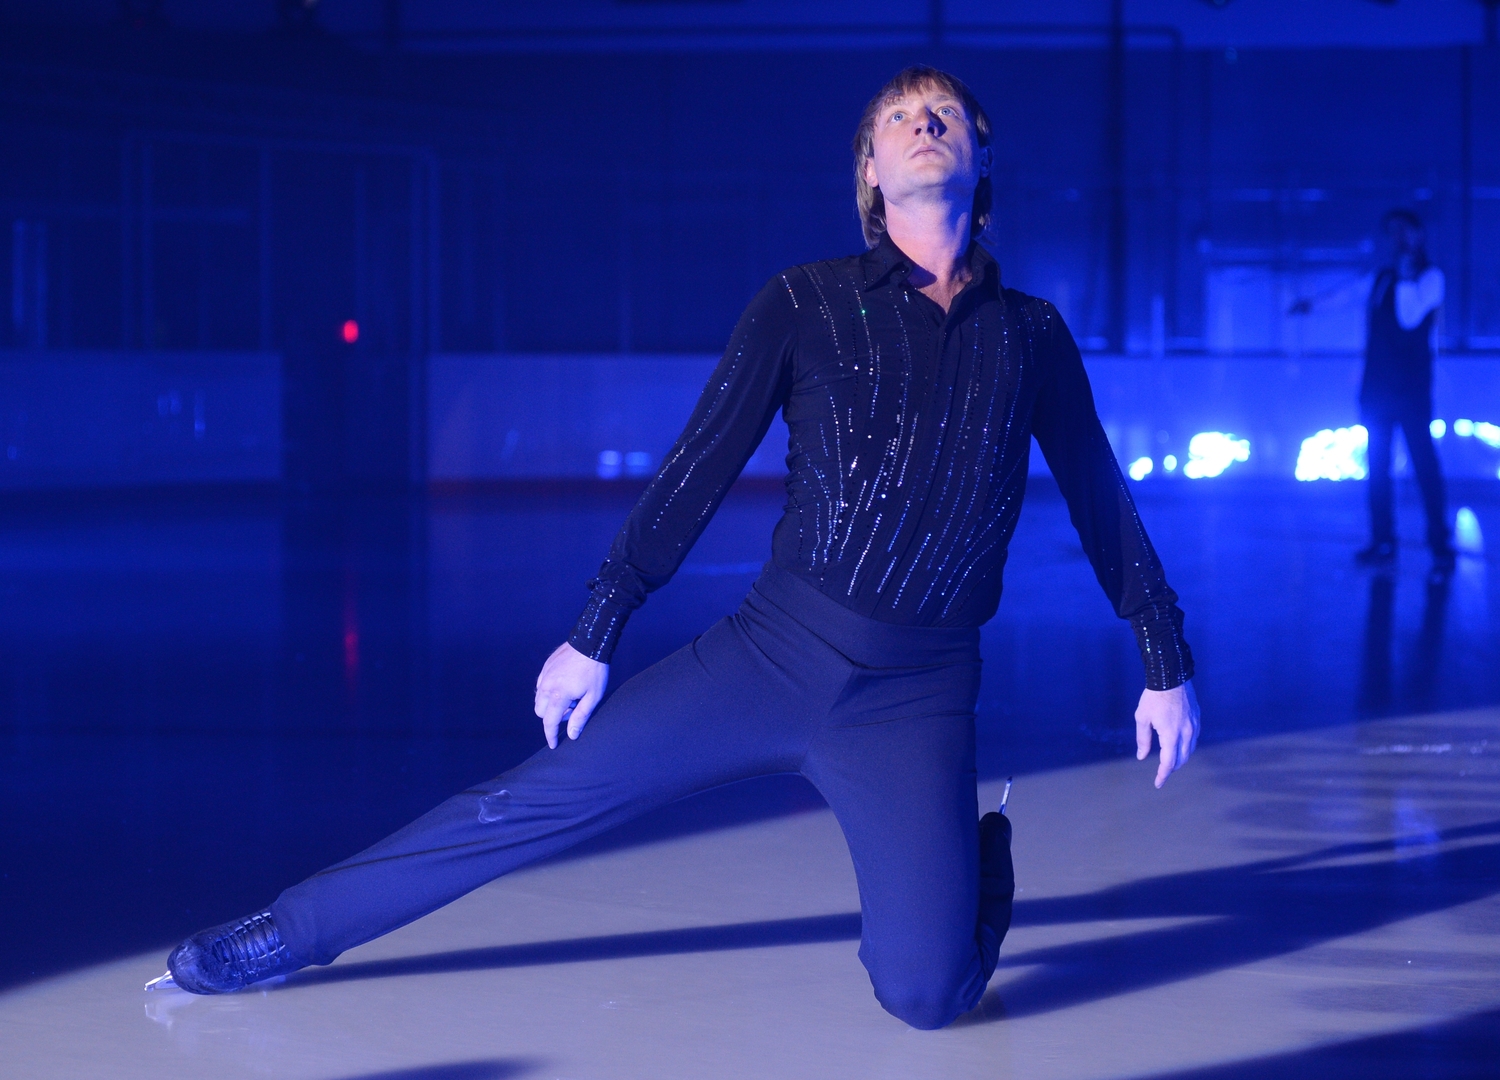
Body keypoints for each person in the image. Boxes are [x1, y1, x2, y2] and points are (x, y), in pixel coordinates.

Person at [151, 66, 1200, 1030]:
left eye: (945, 114)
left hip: (917, 695)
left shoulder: (1032, 334)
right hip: (772, 654)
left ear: (981, 155)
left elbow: (1099, 499)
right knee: (530, 801)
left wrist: (1164, 658)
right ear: (870, 173)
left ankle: (975, 867)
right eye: (897, 116)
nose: (923, 123)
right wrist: (595, 630)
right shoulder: (804, 302)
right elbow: (695, 470)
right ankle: (289, 931)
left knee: (929, 996)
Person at [1355, 210, 1452, 578]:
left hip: (1411, 392)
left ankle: (1440, 546)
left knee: (1424, 467)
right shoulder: (1383, 278)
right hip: (1378, 391)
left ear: (1419, 234)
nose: (1399, 238)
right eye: (1393, 231)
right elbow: (1349, 293)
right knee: (1378, 469)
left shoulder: (1431, 278)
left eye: (1404, 230)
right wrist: (1312, 305)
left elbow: (1410, 317)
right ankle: (1383, 543)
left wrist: (1407, 276)